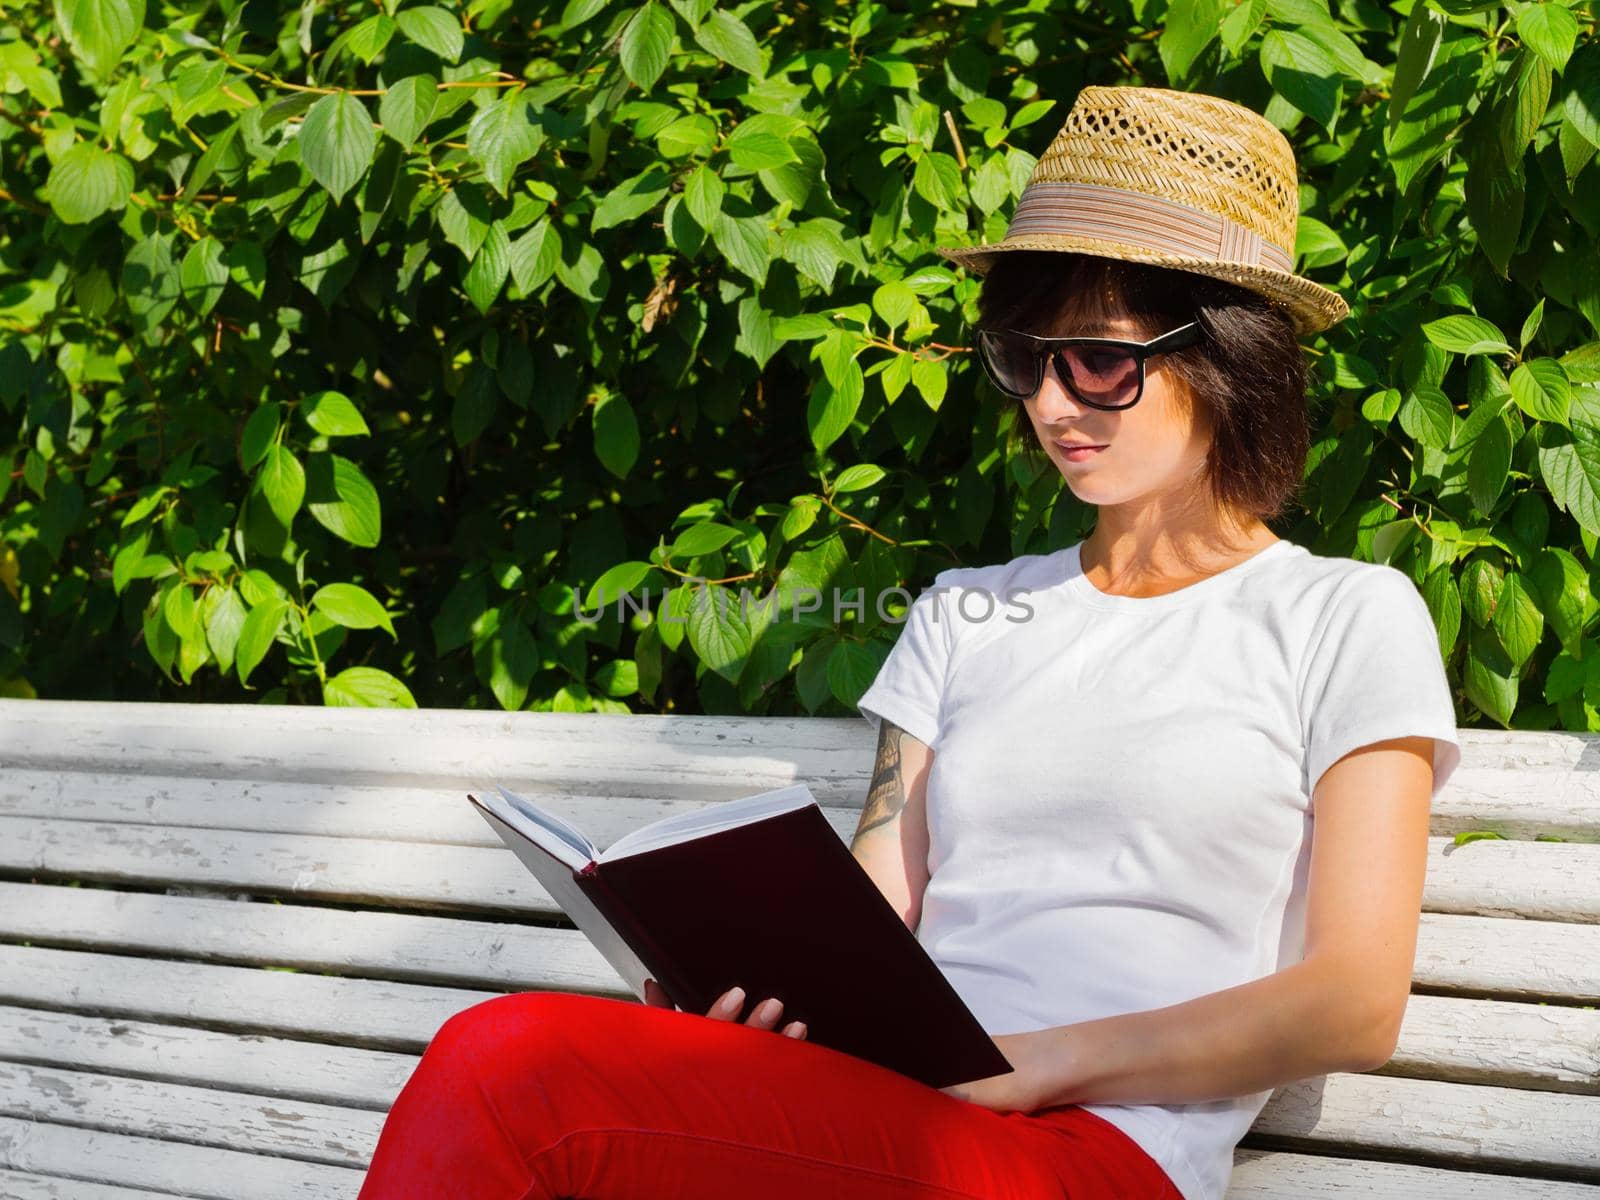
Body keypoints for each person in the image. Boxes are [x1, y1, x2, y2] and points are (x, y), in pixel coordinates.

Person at [355, 84, 1461, 1200]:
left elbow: (1355, 1002)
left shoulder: (1342, 616)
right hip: (891, 1113)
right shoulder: (962, 612)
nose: (1049, 403)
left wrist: (1037, 1066)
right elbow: (878, 914)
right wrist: (747, 995)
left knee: (511, 1066)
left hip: (1094, 1151)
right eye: (1023, 358)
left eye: (1097, 362)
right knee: (544, 1075)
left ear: (1230, 356)